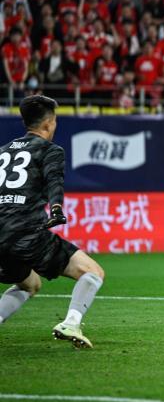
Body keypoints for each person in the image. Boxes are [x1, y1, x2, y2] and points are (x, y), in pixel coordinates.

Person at [0, 95, 105, 348]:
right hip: (25, 232)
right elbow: (54, 181)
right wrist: (56, 209)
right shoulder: (50, 150)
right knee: (92, 272)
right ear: (48, 124)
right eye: (55, 120)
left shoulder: (3, 151)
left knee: (29, 284)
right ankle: (71, 323)